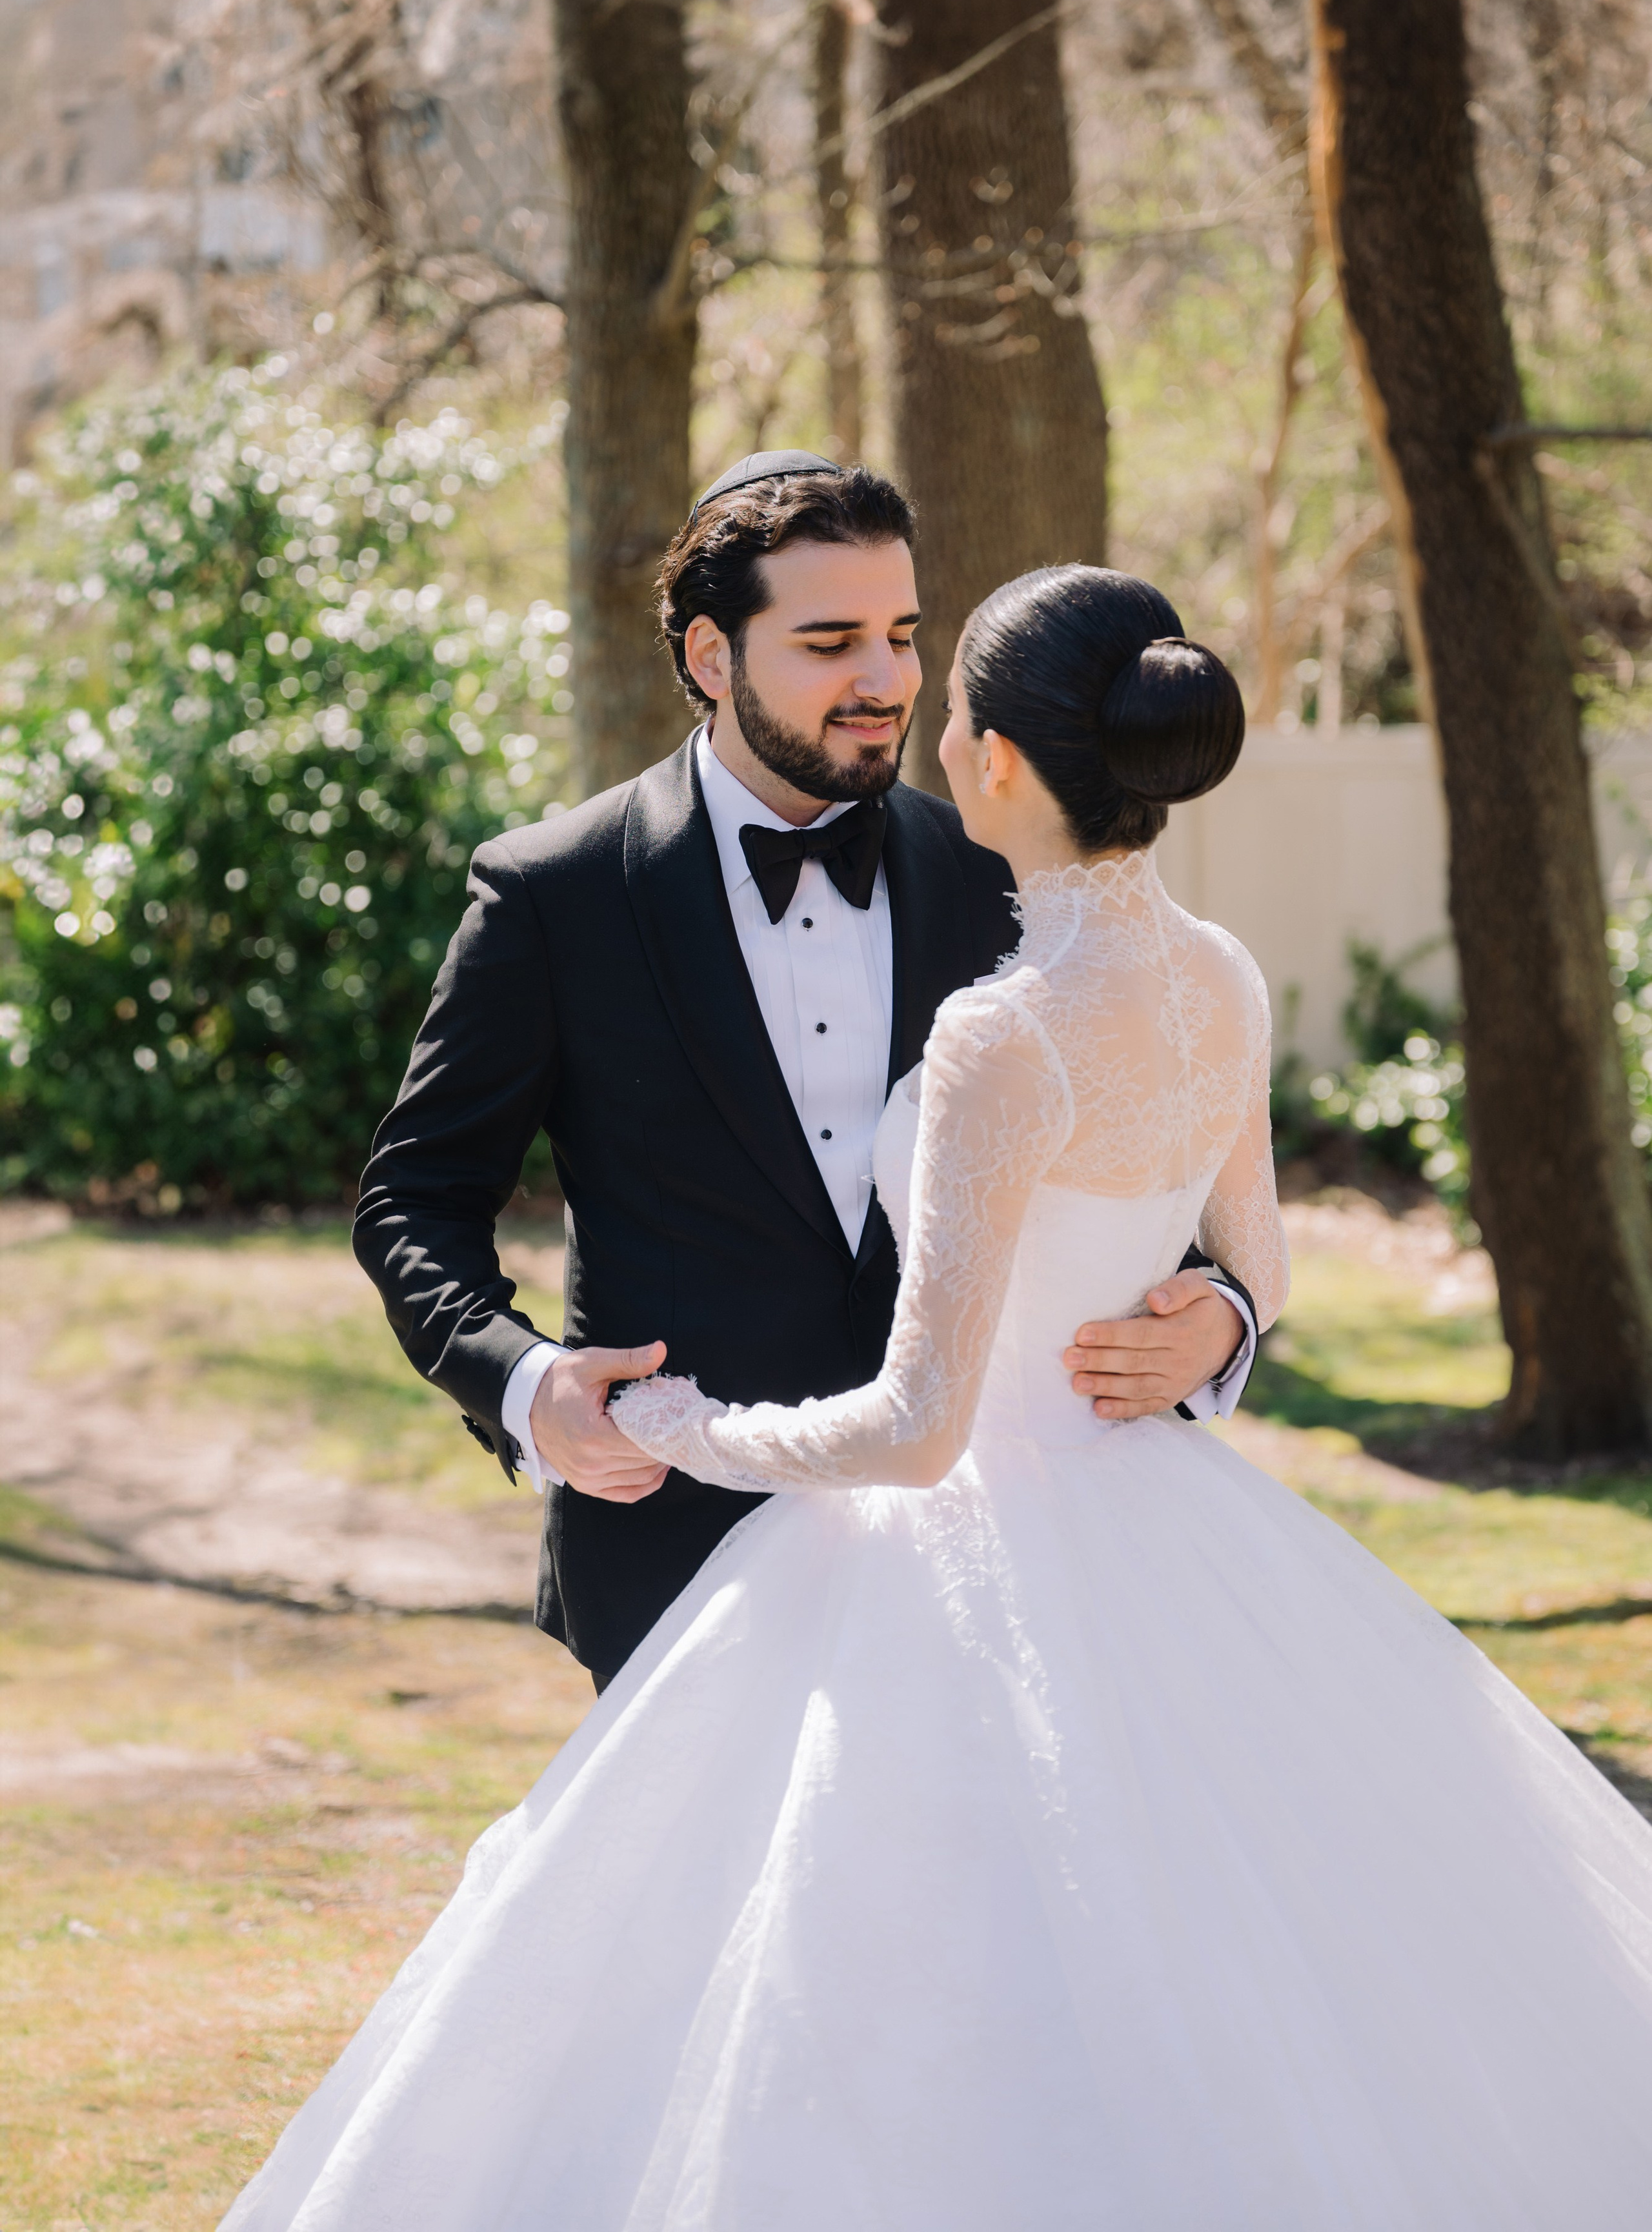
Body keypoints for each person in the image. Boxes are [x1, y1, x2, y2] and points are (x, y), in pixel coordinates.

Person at [227, 565, 1652, 2231]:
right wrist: (1232, 1306)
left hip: (942, 1546)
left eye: (926, 665)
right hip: (1154, 1547)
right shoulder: (1229, 978)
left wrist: (691, 1427)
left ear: (992, 762)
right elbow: (1255, 1246)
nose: (908, 701)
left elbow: (927, 1424)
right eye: (845, 644)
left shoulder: (999, 1026)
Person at [352, 453, 1254, 1689]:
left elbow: (1125, 1135)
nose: (883, 682)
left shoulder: (1006, 873)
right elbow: (415, 1198)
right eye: (831, 642)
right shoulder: (554, 893)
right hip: (676, 1534)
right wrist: (528, 1384)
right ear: (714, 658)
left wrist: (1221, 1316)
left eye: (901, 635)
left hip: (983, 1551)